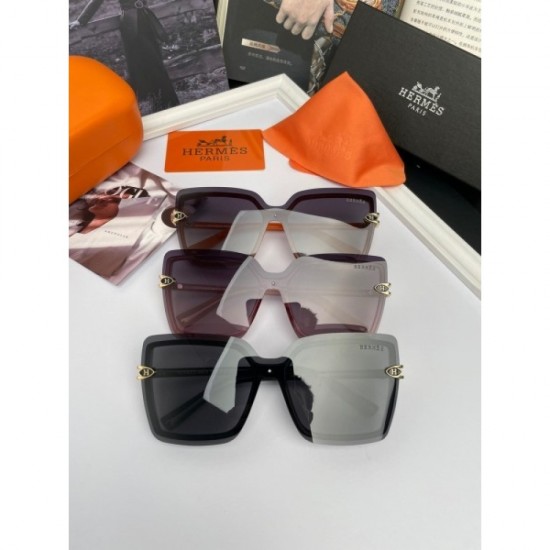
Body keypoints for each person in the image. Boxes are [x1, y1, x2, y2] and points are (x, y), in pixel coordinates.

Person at [69, 0, 179, 112]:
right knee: (148, 63)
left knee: (156, 61)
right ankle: (165, 102)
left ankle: (164, 103)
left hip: (146, 20)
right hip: (131, 24)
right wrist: (81, 20)